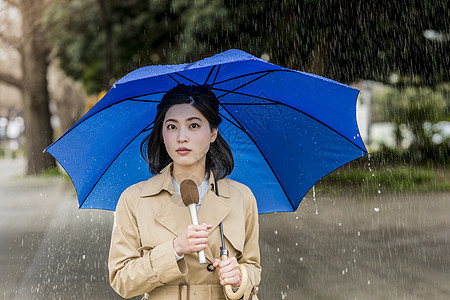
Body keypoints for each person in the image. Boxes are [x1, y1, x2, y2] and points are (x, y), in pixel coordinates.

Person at [108, 84, 261, 299]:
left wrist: (240, 278)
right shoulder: (134, 199)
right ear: (162, 133)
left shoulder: (241, 197)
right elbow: (121, 279)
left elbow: (253, 266)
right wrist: (174, 249)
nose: (181, 137)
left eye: (194, 125)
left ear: (213, 133)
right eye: (171, 126)